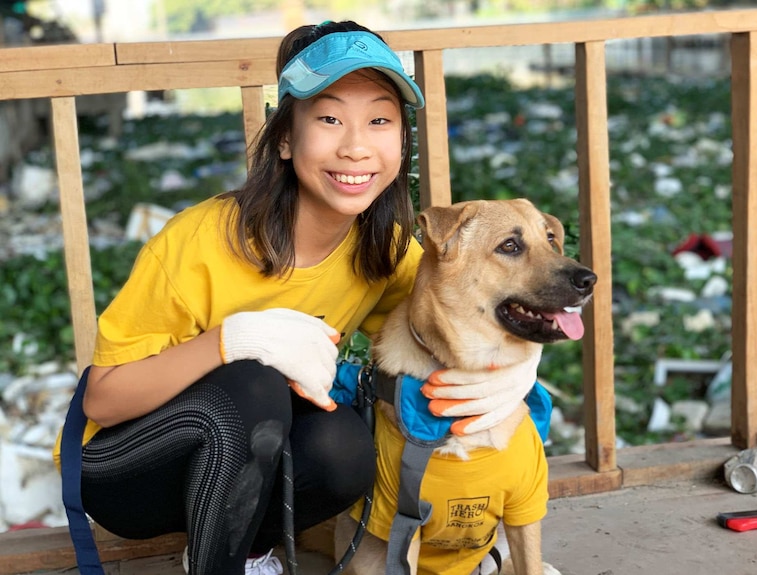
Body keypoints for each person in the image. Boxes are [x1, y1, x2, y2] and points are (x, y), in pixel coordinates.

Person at [53, 20, 539, 575]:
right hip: (125, 469)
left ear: (400, 140)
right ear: (285, 137)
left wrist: (519, 369)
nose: (356, 146)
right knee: (254, 380)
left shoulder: (385, 248)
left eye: (380, 120)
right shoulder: (198, 242)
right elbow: (103, 400)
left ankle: (248, 550)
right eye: (329, 119)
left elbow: (462, 308)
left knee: (343, 448)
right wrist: (235, 340)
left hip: (243, 469)